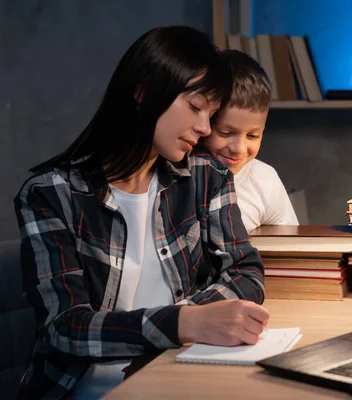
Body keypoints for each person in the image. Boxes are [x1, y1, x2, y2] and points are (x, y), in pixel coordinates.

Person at [14, 26, 269, 399]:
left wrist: (194, 320)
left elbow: (247, 271)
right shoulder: (50, 194)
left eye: (211, 114)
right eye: (196, 107)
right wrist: (183, 323)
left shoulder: (206, 177)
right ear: (143, 91)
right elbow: (64, 329)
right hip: (83, 389)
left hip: (178, 376)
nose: (203, 128)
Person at [202, 50, 299, 233]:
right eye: (225, 132)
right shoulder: (182, 174)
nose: (239, 149)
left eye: (253, 136)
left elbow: (288, 249)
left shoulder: (265, 181)